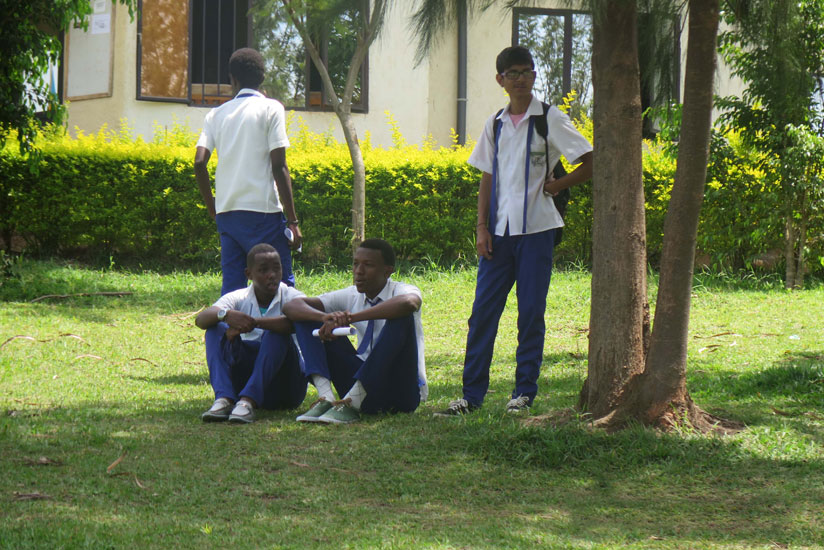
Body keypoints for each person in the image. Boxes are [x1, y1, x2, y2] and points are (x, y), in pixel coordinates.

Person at [436, 46, 593, 417]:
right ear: (500, 80)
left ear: (535, 76)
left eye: (527, 71)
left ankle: (523, 394)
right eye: (513, 73)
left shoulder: (549, 119)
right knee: (482, 314)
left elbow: (590, 162)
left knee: (530, 312)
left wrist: (555, 187)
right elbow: (487, 177)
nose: (521, 78)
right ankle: (471, 397)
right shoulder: (496, 123)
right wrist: (481, 228)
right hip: (498, 235)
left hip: (538, 232)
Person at [283, 239, 427, 424]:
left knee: (401, 317)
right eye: (356, 264)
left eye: (368, 265)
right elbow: (292, 306)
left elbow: (409, 303)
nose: (359, 271)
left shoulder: (401, 290)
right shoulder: (351, 294)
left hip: (401, 392)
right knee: (307, 317)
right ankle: (326, 398)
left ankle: (353, 402)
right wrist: (324, 318)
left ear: (388, 270)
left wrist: (353, 317)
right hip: (362, 385)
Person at [194, 48, 302, 295]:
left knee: (232, 290)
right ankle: (282, 334)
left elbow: (200, 162)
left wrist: (213, 207)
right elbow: (279, 165)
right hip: (264, 215)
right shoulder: (271, 109)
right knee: (281, 287)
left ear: (233, 79)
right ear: (262, 78)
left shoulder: (216, 115)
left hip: (228, 214)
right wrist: (293, 222)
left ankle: (231, 333)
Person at [196, 243, 307, 423]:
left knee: (277, 332)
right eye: (263, 270)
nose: (271, 275)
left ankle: (248, 401)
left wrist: (252, 323)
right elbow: (201, 319)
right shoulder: (239, 297)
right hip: (245, 379)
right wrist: (226, 315)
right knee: (214, 328)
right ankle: (224, 399)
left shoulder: (292, 296)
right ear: (249, 274)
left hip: (285, 388)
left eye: (276, 269)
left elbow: (297, 322)